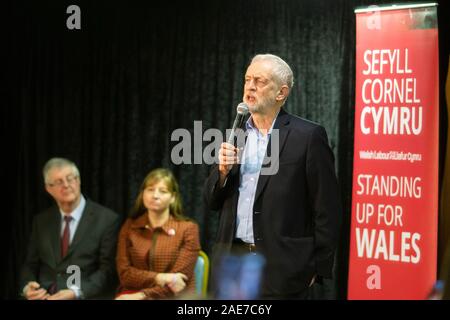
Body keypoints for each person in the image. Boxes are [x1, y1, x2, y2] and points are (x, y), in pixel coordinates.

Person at [204, 54, 342, 299]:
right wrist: (222, 173)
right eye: (247, 79)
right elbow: (212, 202)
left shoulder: (308, 136)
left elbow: (327, 208)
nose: (250, 86)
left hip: (282, 268)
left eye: (260, 80)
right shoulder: (236, 132)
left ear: (281, 93)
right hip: (233, 262)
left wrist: (317, 266)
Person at [20, 157, 120, 300]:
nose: (66, 185)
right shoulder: (41, 221)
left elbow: (108, 271)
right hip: (44, 295)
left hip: (84, 295)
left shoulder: (106, 220)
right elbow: (30, 264)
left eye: (70, 179)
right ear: (48, 188)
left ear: (78, 180)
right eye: (59, 182)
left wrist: (76, 292)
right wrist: (27, 287)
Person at [115, 168, 200, 300]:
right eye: (150, 189)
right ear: (142, 194)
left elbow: (179, 282)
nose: (155, 195)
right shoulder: (130, 226)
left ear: (173, 197)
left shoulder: (188, 229)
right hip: (130, 294)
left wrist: (143, 295)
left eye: (163, 191)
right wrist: (159, 277)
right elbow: (125, 274)